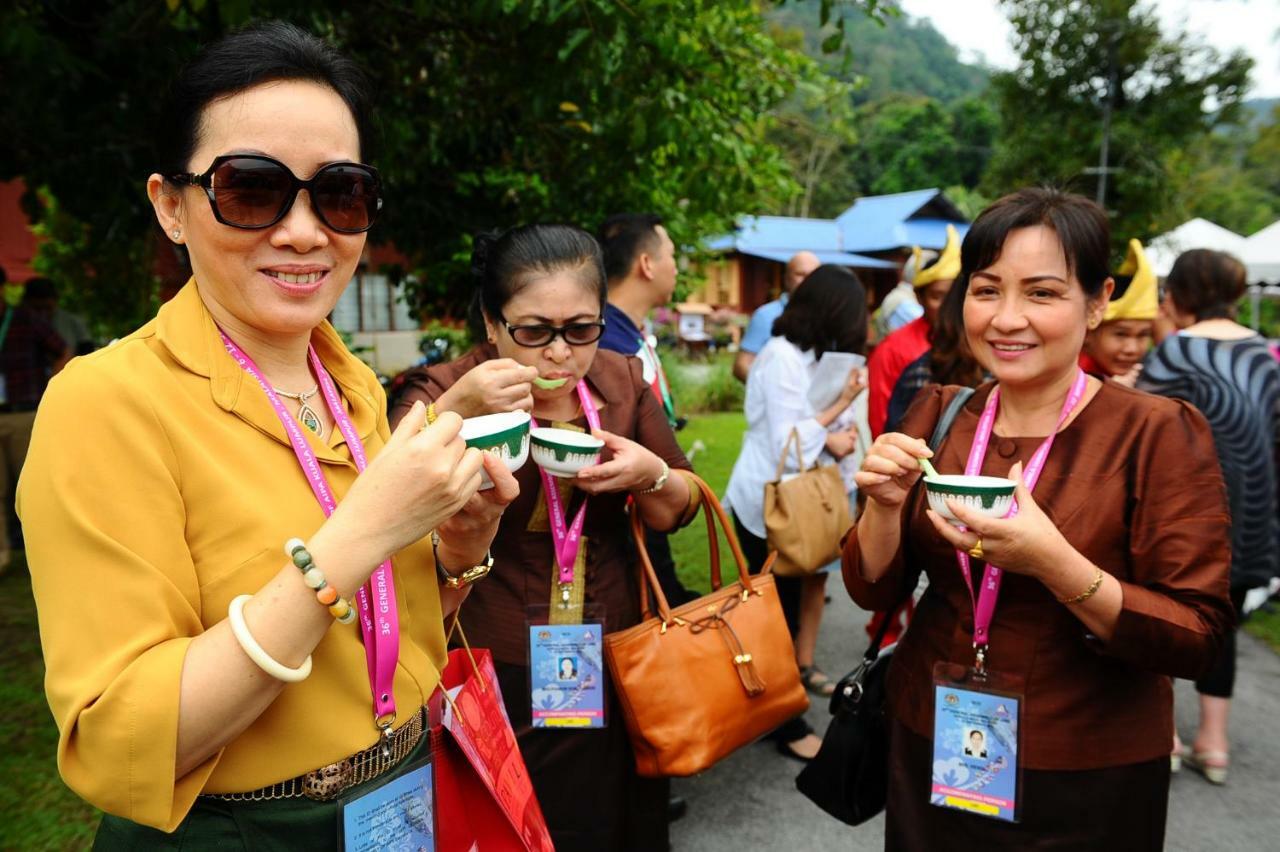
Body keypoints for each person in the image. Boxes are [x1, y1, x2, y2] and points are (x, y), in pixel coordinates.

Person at [17, 23, 514, 846]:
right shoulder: (104, 404)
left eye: (340, 192)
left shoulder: (346, 380)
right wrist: (360, 534)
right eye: (251, 190)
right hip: (239, 829)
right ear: (170, 207)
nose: (303, 231)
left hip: (404, 794)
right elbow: (122, 739)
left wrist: (459, 549)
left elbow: (390, 631)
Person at [845, 187, 1233, 849]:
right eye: (988, 289)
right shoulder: (940, 412)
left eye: (1043, 293)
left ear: (1098, 299)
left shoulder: (1155, 433)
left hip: (1086, 767)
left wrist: (1053, 562)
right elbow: (873, 589)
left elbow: (1197, 635)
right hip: (934, 739)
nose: (1007, 318)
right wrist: (882, 507)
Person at [390, 223, 699, 852]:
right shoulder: (444, 386)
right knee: (500, 823)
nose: (559, 353)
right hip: (486, 657)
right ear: (492, 322)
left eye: (580, 329)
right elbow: (381, 492)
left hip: (611, 655)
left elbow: (680, 505)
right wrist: (459, 406)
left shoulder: (619, 382)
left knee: (611, 824)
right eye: (533, 332)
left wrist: (653, 473)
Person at [1137, 248, 1280, 786]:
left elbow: (1145, 431)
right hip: (1253, 516)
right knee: (1222, 625)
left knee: (1168, 616)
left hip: (1189, 514)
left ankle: (1167, 737)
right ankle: (1214, 745)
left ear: (1182, 292)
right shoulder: (1264, 354)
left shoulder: (1175, 352)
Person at [724, 264, 868, 760]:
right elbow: (792, 437)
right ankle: (783, 724)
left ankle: (769, 709)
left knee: (774, 612)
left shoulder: (804, 356)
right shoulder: (782, 357)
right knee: (773, 617)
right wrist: (839, 408)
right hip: (766, 504)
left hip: (781, 499)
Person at [597, 213, 695, 606]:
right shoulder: (607, 345)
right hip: (627, 520)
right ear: (647, 264)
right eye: (672, 255)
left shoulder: (628, 332)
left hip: (652, 500)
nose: (676, 267)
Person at [0, 270, 69, 574]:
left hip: (24, 412)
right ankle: (2, 556)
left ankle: (48, 555)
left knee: (35, 489)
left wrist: (52, 389)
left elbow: (62, 349)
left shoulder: (25, 320)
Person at [867, 224, 962, 438]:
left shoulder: (978, 342)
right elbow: (880, 418)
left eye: (954, 296)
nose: (948, 305)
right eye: (937, 297)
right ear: (919, 297)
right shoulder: (893, 348)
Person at [732, 250, 820, 382]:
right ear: (786, 278)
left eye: (812, 275)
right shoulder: (766, 315)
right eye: (800, 274)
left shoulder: (827, 313)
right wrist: (767, 389)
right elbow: (741, 365)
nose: (807, 280)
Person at [1079, 239, 1156, 386]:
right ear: (1088, 333)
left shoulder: (1147, 379)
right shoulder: (1066, 379)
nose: (1131, 349)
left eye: (1143, 334)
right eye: (1121, 334)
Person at [22, 276, 96, 356]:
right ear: (25, 303)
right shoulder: (20, 323)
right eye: (37, 309)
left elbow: (87, 350)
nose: (43, 314)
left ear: (56, 301)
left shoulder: (73, 322)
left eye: (48, 308)